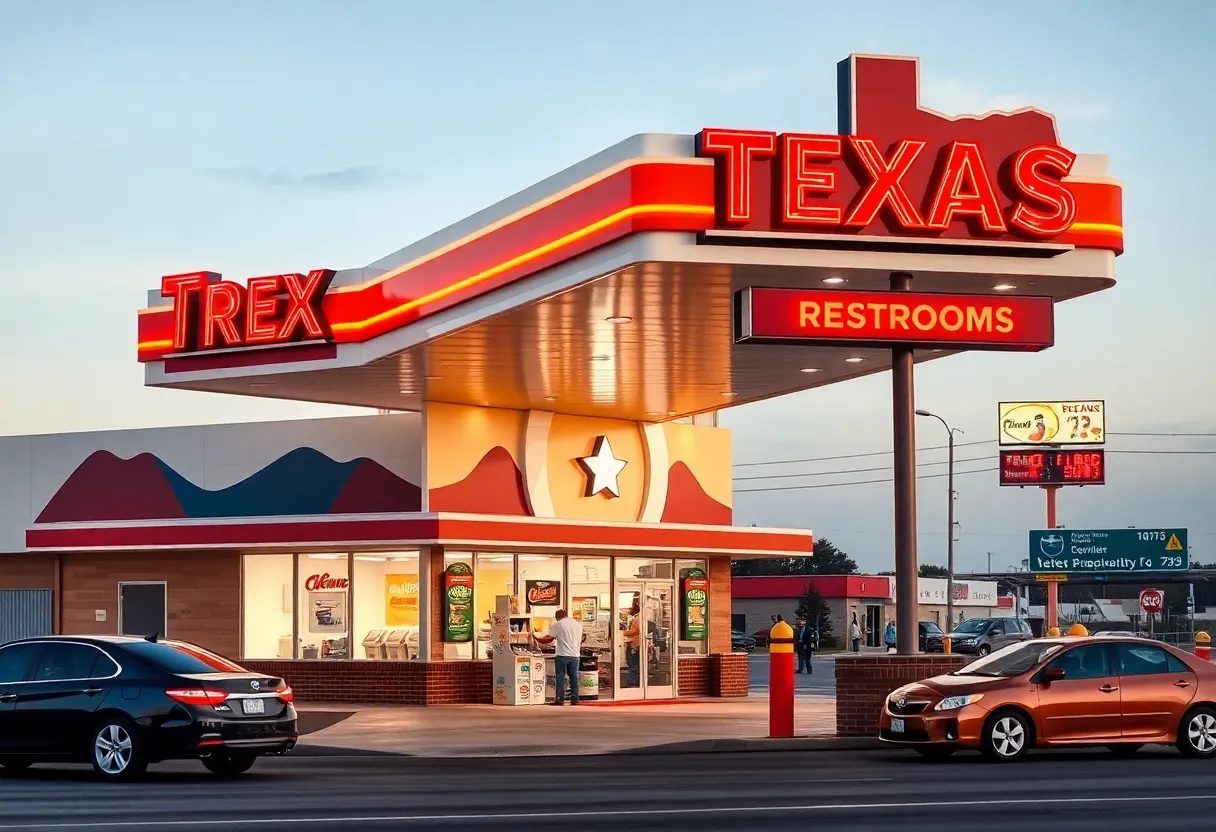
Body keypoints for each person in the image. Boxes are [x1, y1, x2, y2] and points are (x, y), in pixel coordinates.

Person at [533, 609, 584, 705]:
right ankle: (575, 698)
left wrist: (536, 638)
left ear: (557, 616)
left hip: (562, 655)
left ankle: (560, 699)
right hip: (575, 655)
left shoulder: (559, 624)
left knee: (560, 677)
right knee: (574, 677)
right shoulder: (577, 624)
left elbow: (549, 639)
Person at [623, 599, 641, 687]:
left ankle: (632, 683)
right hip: (636, 644)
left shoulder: (637, 618)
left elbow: (635, 630)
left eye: (629, 609)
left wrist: (622, 632)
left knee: (632, 664)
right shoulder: (639, 617)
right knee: (634, 664)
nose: (628, 611)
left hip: (635, 645)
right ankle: (635, 682)